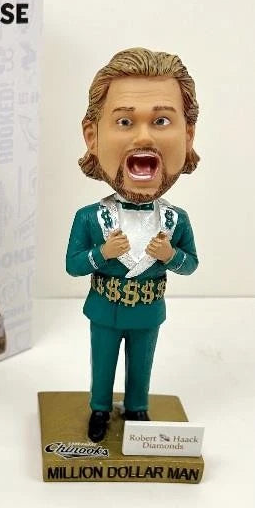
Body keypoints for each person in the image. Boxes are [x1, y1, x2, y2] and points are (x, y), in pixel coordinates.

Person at [66, 47, 199, 442]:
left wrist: (171, 256)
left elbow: (191, 263)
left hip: (149, 310)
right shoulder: (90, 218)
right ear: (93, 137)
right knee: (103, 362)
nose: (144, 136)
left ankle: (138, 406)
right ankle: (100, 408)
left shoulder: (176, 221)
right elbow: (73, 264)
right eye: (124, 121)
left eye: (161, 121)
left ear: (188, 136)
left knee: (142, 363)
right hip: (104, 310)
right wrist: (100, 254)